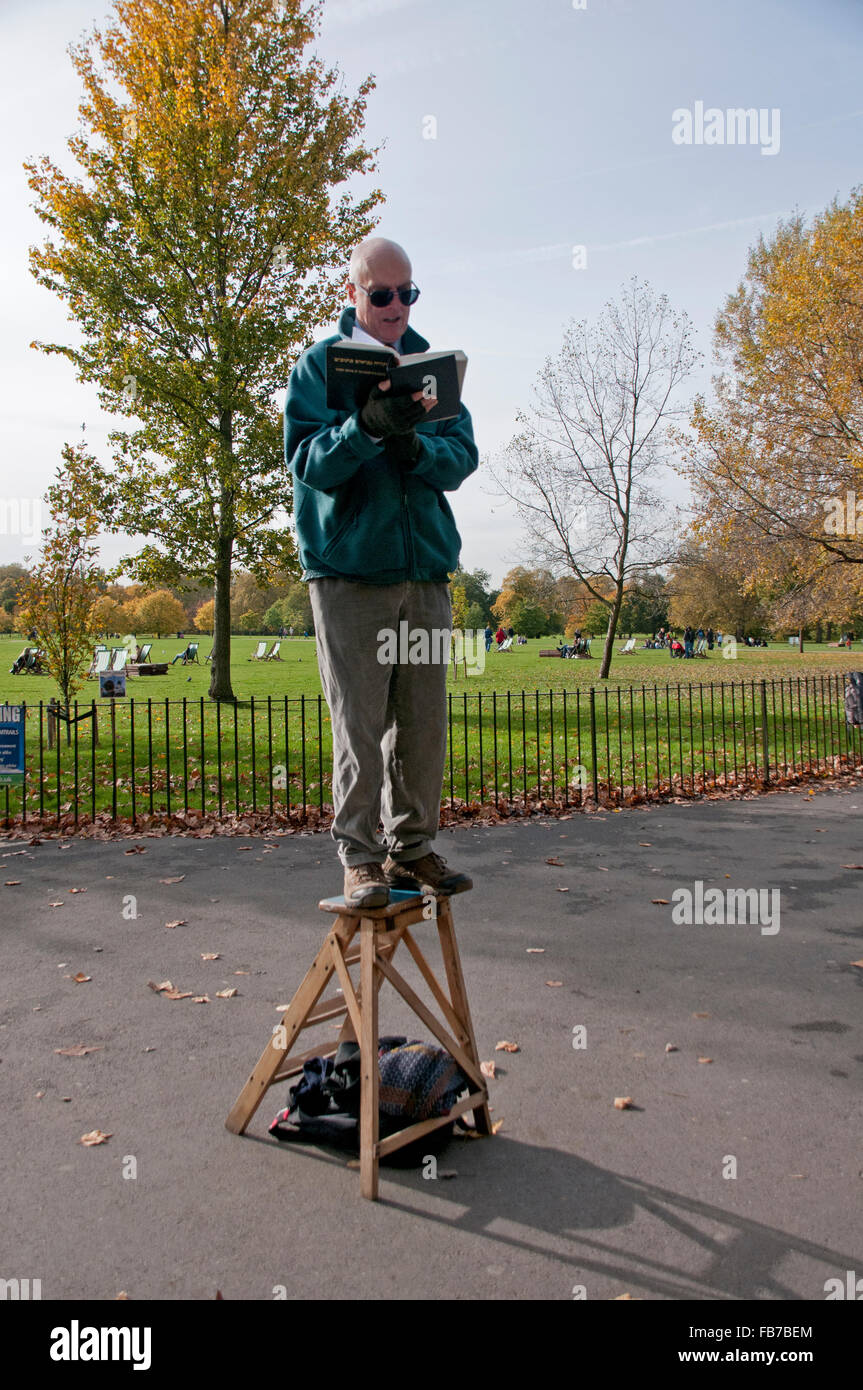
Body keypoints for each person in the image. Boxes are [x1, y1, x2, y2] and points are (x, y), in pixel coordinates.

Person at [284, 236, 478, 907]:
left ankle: (412, 849)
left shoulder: (433, 369)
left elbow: (459, 461)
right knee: (359, 725)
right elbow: (310, 463)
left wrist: (411, 440)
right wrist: (364, 429)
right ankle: (361, 859)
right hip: (349, 574)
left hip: (423, 573)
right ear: (353, 293)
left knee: (422, 724)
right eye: (381, 293)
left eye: (407, 293)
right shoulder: (318, 368)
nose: (396, 305)